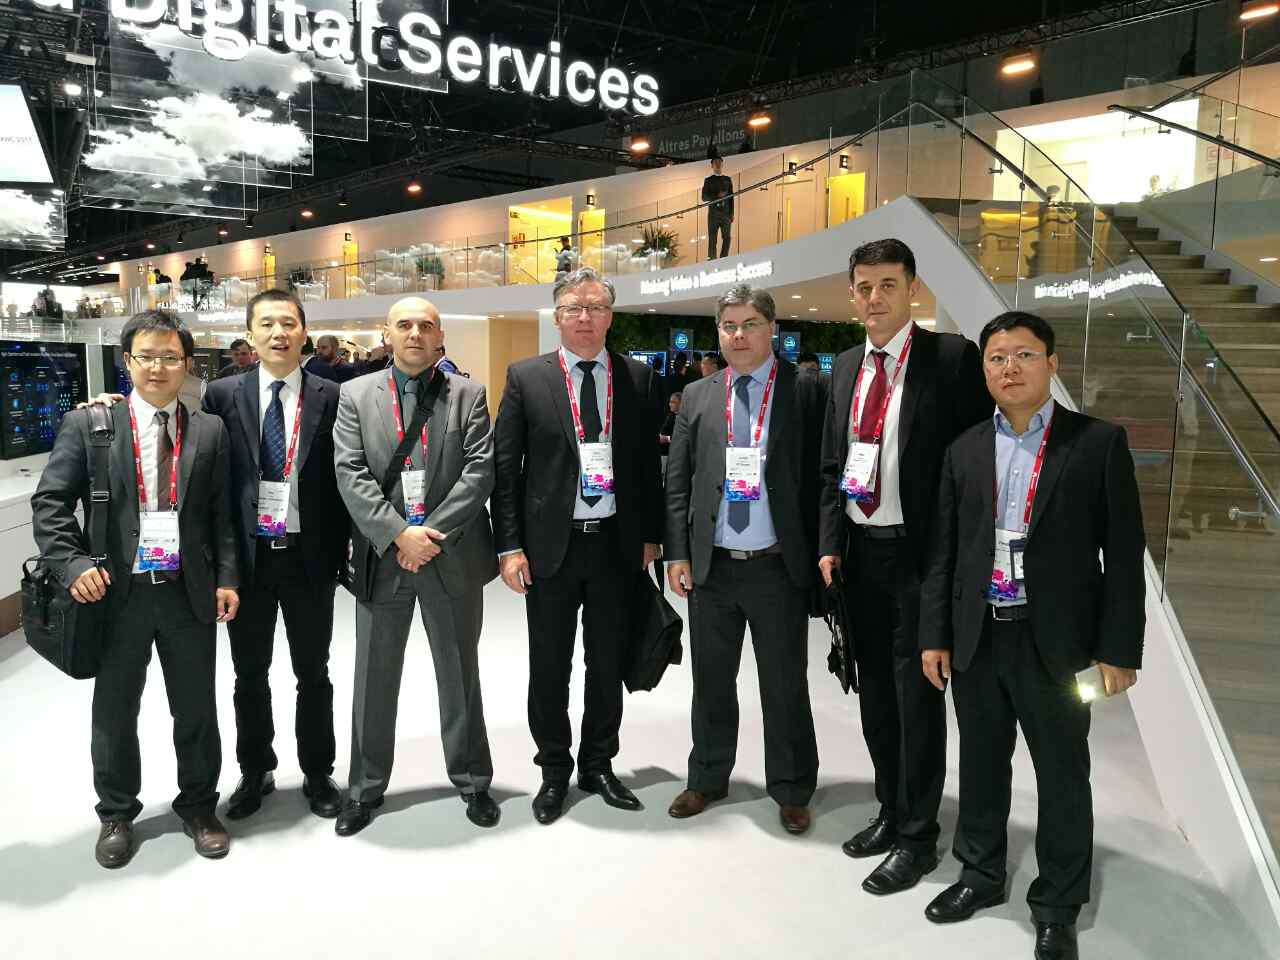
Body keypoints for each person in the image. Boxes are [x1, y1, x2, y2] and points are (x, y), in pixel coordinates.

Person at [919, 311, 1145, 960]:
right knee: (981, 765)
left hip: (1058, 646)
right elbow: (945, 554)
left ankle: (1057, 904)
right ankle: (981, 874)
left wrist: (1118, 650)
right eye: (996, 358)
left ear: (1052, 363)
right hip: (979, 637)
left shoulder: (1097, 443)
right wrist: (935, 635)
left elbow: (1123, 555)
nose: (1009, 368)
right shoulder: (964, 449)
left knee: (1063, 775)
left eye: (1023, 354)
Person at [31, 310, 240, 868]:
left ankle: (199, 806)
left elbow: (220, 515)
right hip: (115, 593)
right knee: (116, 709)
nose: (158, 367)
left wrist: (226, 577)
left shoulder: (209, 430)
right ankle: (117, 812)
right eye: (146, 356)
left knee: (195, 707)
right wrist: (72, 564)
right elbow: (50, 503)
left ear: (187, 364)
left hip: (186, 591)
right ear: (127, 361)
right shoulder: (91, 425)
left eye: (171, 357)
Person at [817, 238, 991, 896]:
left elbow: (973, 463)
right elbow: (832, 466)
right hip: (860, 556)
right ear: (851, 294)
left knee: (917, 698)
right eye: (864, 287)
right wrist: (831, 541)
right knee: (873, 696)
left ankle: (918, 837)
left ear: (913, 289)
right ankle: (890, 811)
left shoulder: (951, 359)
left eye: (888, 285)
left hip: (922, 559)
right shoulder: (844, 366)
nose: (875, 298)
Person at [492, 266, 664, 825]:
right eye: (574, 307)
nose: (585, 317)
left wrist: (651, 536)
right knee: (550, 664)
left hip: (615, 545)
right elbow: (505, 469)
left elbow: (648, 466)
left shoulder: (638, 378)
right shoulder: (527, 378)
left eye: (595, 307)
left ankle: (598, 763)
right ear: (558, 316)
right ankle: (553, 769)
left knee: (607, 661)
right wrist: (509, 546)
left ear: (610, 316)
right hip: (550, 549)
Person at [333, 296, 500, 835]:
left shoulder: (469, 395)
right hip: (385, 558)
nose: (414, 334)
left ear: (440, 336)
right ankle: (363, 789)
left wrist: (429, 537)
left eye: (426, 325)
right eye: (403, 324)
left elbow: (479, 472)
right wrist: (398, 533)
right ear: (386, 334)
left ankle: (473, 780)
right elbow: (350, 472)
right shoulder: (355, 395)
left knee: (460, 674)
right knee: (373, 679)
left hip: (450, 557)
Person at [664, 284, 823, 834]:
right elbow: (678, 482)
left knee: (785, 685)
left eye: (750, 324)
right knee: (711, 681)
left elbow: (821, 477)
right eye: (728, 325)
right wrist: (677, 553)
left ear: (771, 328)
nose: (738, 335)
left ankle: (792, 787)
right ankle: (707, 778)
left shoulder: (806, 391)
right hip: (713, 568)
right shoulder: (698, 395)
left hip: (778, 567)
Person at [202, 290, 349, 822]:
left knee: (314, 672)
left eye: (288, 322)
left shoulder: (333, 396)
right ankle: (255, 770)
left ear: (304, 332)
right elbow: (205, 470)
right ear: (250, 334)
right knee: (249, 674)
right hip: (248, 561)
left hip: (310, 557)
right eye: (266, 323)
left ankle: (318, 770)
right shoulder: (221, 394)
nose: (278, 333)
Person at [702, 156, 735, 260]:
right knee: (712, 238)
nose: (718, 164)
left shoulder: (727, 179)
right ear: (712, 165)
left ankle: (723, 259)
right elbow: (704, 197)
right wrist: (717, 196)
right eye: (715, 162)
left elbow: (731, 197)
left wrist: (732, 213)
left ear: (722, 164)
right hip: (713, 214)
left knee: (727, 237)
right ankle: (712, 259)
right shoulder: (708, 180)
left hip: (726, 213)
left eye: (720, 162)